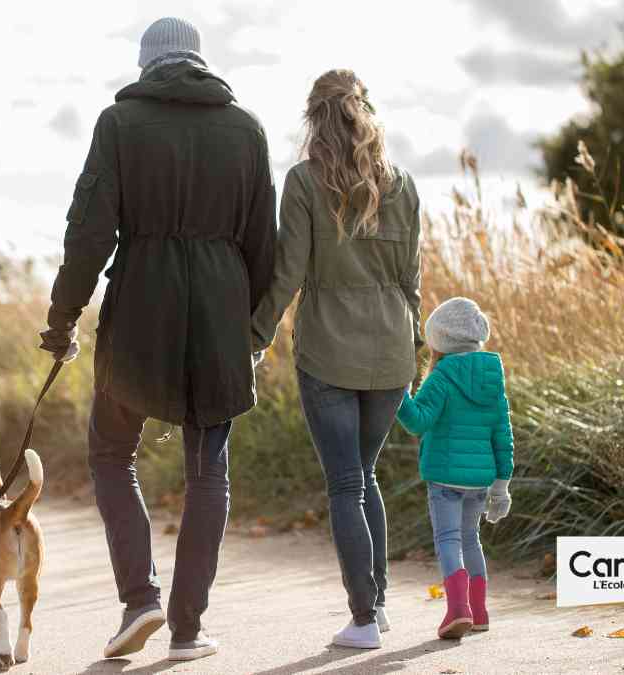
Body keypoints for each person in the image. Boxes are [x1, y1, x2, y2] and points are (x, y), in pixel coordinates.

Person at [39, 16, 276, 663]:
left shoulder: (120, 123)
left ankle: (139, 598)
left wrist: (63, 319)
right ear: (200, 60)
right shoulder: (247, 129)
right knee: (208, 473)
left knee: (112, 453)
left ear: (146, 63)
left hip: (141, 307)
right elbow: (265, 245)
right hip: (221, 315)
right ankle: (187, 629)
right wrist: (251, 331)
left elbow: (89, 231)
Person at [250, 69, 422, 650]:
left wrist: (255, 336)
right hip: (392, 350)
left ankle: (364, 618)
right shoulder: (403, 184)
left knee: (347, 482)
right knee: (363, 476)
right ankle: (379, 606)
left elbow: (288, 272)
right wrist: (416, 349)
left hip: (328, 350)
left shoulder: (303, 181)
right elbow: (412, 280)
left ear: (313, 118)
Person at [394, 297, 515, 639]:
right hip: (480, 480)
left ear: (440, 340)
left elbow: (417, 422)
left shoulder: (442, 376)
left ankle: (458, 609)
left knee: (448, 539)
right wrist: (501, 486)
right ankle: (479, 612)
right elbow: (502, 433)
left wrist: (398, 392)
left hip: (445, 477)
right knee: (470, 539)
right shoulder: (492, 377)